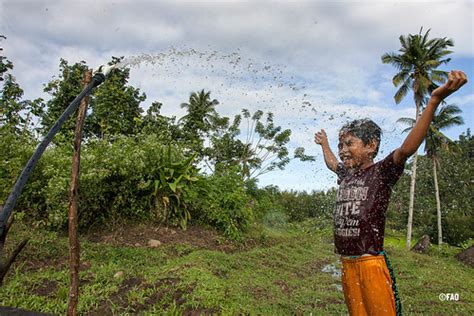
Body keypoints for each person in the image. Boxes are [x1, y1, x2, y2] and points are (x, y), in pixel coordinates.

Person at [314, 70, 468, 316]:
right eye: (341, 144)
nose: (343, 150)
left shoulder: (381, 172)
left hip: (371, 264)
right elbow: (332, 163)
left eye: (349, 143)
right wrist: (325, 145)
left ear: (371, 145)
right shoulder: (347, 175)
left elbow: (406, 148)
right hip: (347, 263)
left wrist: (434, 101)